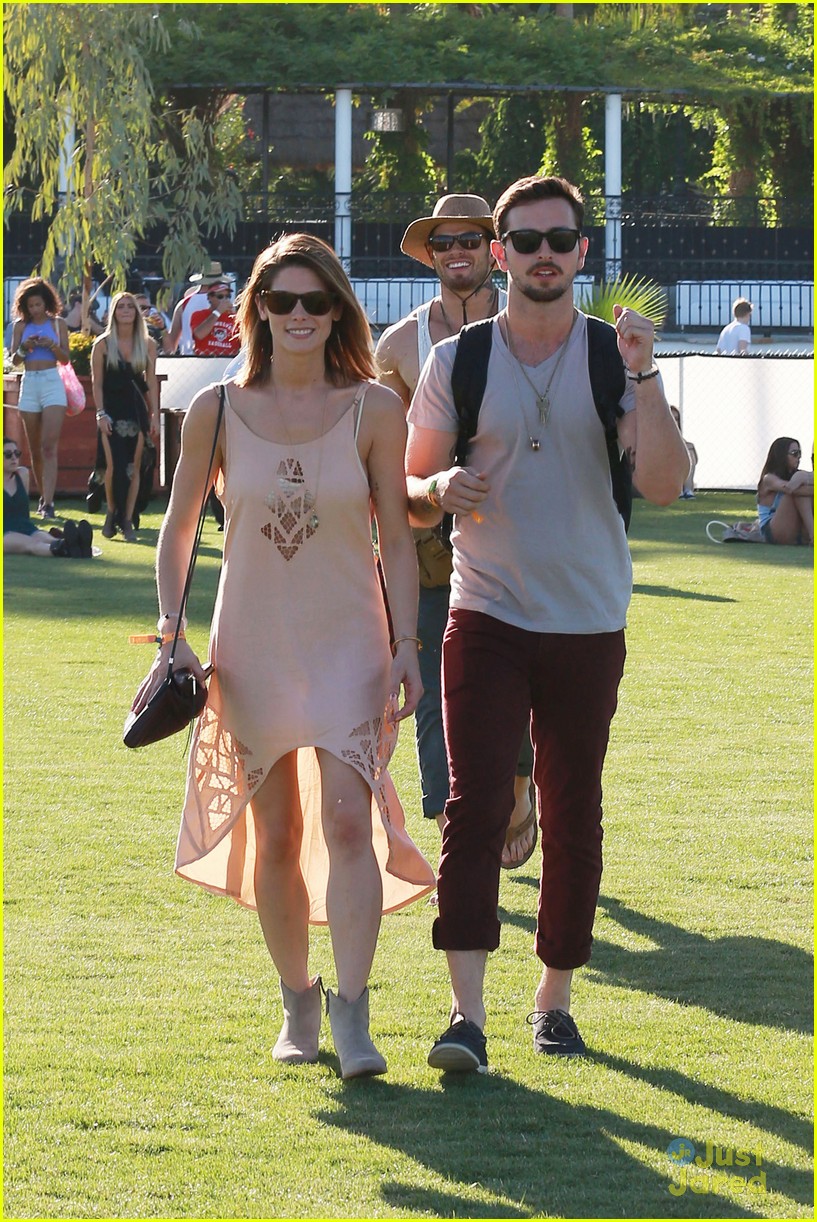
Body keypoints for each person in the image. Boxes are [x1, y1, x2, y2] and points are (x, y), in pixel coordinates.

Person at [131, 233, 434, 1080]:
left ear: (337, 308)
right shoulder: (215, 410)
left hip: (350, 638)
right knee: (276, 835)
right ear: (257, 310)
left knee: (347, 817)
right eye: (281, 301)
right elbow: (180, 527)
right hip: (252, 639)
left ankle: (352, 1011)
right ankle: (297, 996)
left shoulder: (376, 408)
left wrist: (407, 645)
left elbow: (398, 539)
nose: (298, 315)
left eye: (315, 301)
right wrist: (171, 631)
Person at [406, 174, 689, 1073]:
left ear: (580, 252)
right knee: (474, 803)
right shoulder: (460, 362)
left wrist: (643, 375)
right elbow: (407, 494)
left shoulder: (618, 356)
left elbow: (664, 486)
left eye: (557, 241)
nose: (541, 255)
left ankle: (553, 1001)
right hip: (484, 607)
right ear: (498, 255)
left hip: (587, 617)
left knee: (572, 809)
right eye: (522, 241)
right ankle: (465, 1017)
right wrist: (438, 488)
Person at [375, 194, 537, 869]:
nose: (456, 251)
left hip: (516, 540)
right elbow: (381, 459)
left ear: (493, 250)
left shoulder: (533, 331)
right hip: (426, 546)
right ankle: (451, 828)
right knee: (431, 691)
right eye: (442, 243)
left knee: (521, 683)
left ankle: (520, 788)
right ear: (431, 256)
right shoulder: (397, 345)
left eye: (470, 238)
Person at [91, 292, 159, 542]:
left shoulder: (148, 344)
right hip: (110, 409)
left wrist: (154, 416)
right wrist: (100, 413)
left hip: (137, 410)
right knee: (113, 466)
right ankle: (111, 512)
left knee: (134, 467)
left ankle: (127, 520)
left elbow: (151, 383)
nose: (127, 310)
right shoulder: (102, 344)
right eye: (121, 306)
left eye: (131, 306)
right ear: (114, 312)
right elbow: (97, 385)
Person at [9, 277, 71, 520]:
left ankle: (48, 502)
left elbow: (65, 358)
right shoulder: (20, 326)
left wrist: (52, 345)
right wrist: (25, 347)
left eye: (39, 304)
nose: (35, 310)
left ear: (47, 302)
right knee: (35, 447)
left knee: (48, 445)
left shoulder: (58, 324)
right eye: (31, 305)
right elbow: (15, 360)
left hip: (51, 382)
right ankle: (42, 498)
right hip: (30, 382)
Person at [3, 438, 94, 557]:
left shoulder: (23, 474)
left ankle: (77, 546)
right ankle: (67, 550)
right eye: (8, 454)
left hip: (25, 526)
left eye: (17, 453)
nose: (14, 458)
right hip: (4, 532)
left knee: (49, 539)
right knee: (32, 544)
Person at [165, 262, 232, 355]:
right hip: (222, 359)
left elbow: (172, 344)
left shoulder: (183, 304)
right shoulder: (225, 303)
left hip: (189, 360)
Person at [756, 437, 813, 545]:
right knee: (796, 492)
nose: (799, 458)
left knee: (804, 487)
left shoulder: (796, 475)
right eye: (794, 453)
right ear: (781, 455)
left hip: (795, 529)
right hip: (773, 531)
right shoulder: (769, 478)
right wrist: (803, 477)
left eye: (800, 453)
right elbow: (790, 489)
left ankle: (811, 534)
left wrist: (805, 477)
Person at [190, 280, 240, 357]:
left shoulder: (235, 318)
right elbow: (199, 335)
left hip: (228, 361)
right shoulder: (199, 315)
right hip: (205, 361)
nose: (224, 300)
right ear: (210, 297)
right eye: (220, 296)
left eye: (227, 296)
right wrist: (218, 312)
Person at [669, 406, 698, 499]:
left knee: (689, 450)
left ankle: (687, 490)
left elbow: (696, 460)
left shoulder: (679, 438)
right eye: (671, 418)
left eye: (676, 419)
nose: (674, 421)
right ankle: (678, 489)